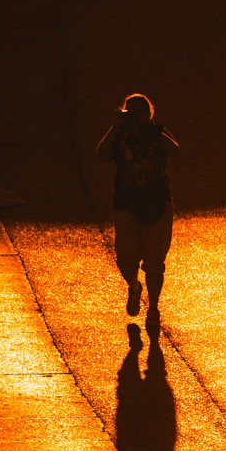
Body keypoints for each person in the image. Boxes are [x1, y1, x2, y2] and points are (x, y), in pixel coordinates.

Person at [96, 94, 178, 329]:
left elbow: (175, 150)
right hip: (126, 203)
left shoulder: (156, 131)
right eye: (130, 112)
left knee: (155, 261)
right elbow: (100, 155)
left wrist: (152, 131)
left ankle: (153, 307)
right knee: (125, 259)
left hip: (157, 201)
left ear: (148, 113)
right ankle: (134, 286)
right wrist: (114, 128)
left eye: (140, 111)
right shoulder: (119, 135)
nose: (135, 116)